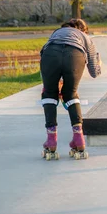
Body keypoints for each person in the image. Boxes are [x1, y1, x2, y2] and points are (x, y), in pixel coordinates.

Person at [39, 18, 101, 160]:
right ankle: (78, 138)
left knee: (49, 94)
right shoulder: (86, 38)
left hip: (50, 55)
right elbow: (94, 72)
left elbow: (44, 53)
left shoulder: (57, 33)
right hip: (75, 55)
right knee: (71, 94)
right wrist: (98, 61)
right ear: (84, 30)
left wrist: (51, 83)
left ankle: (51, 139)